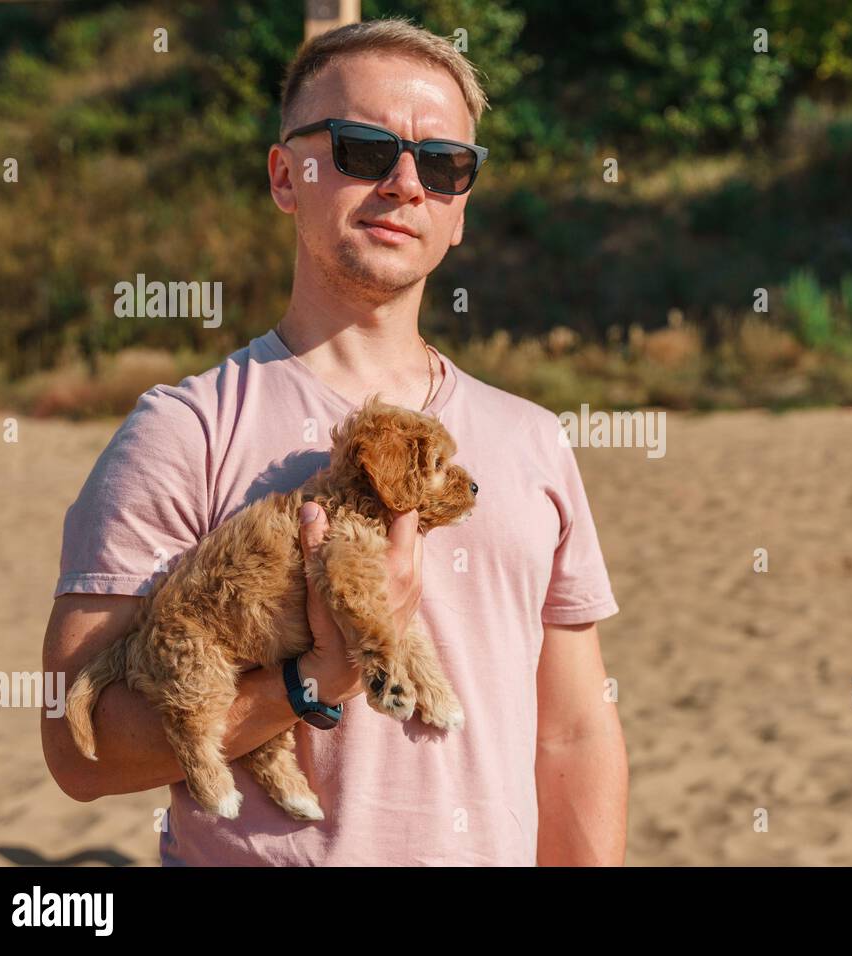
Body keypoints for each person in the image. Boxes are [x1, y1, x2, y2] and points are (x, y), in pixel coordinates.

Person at [40, 17, 627, 866]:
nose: (404, 183)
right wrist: (313, 681)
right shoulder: (184, 430)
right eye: (361, 149)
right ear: (286, 175)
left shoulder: (533, 440)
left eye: (444, 164)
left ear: (461, 208)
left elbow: (572, 735)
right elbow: (78, 749)